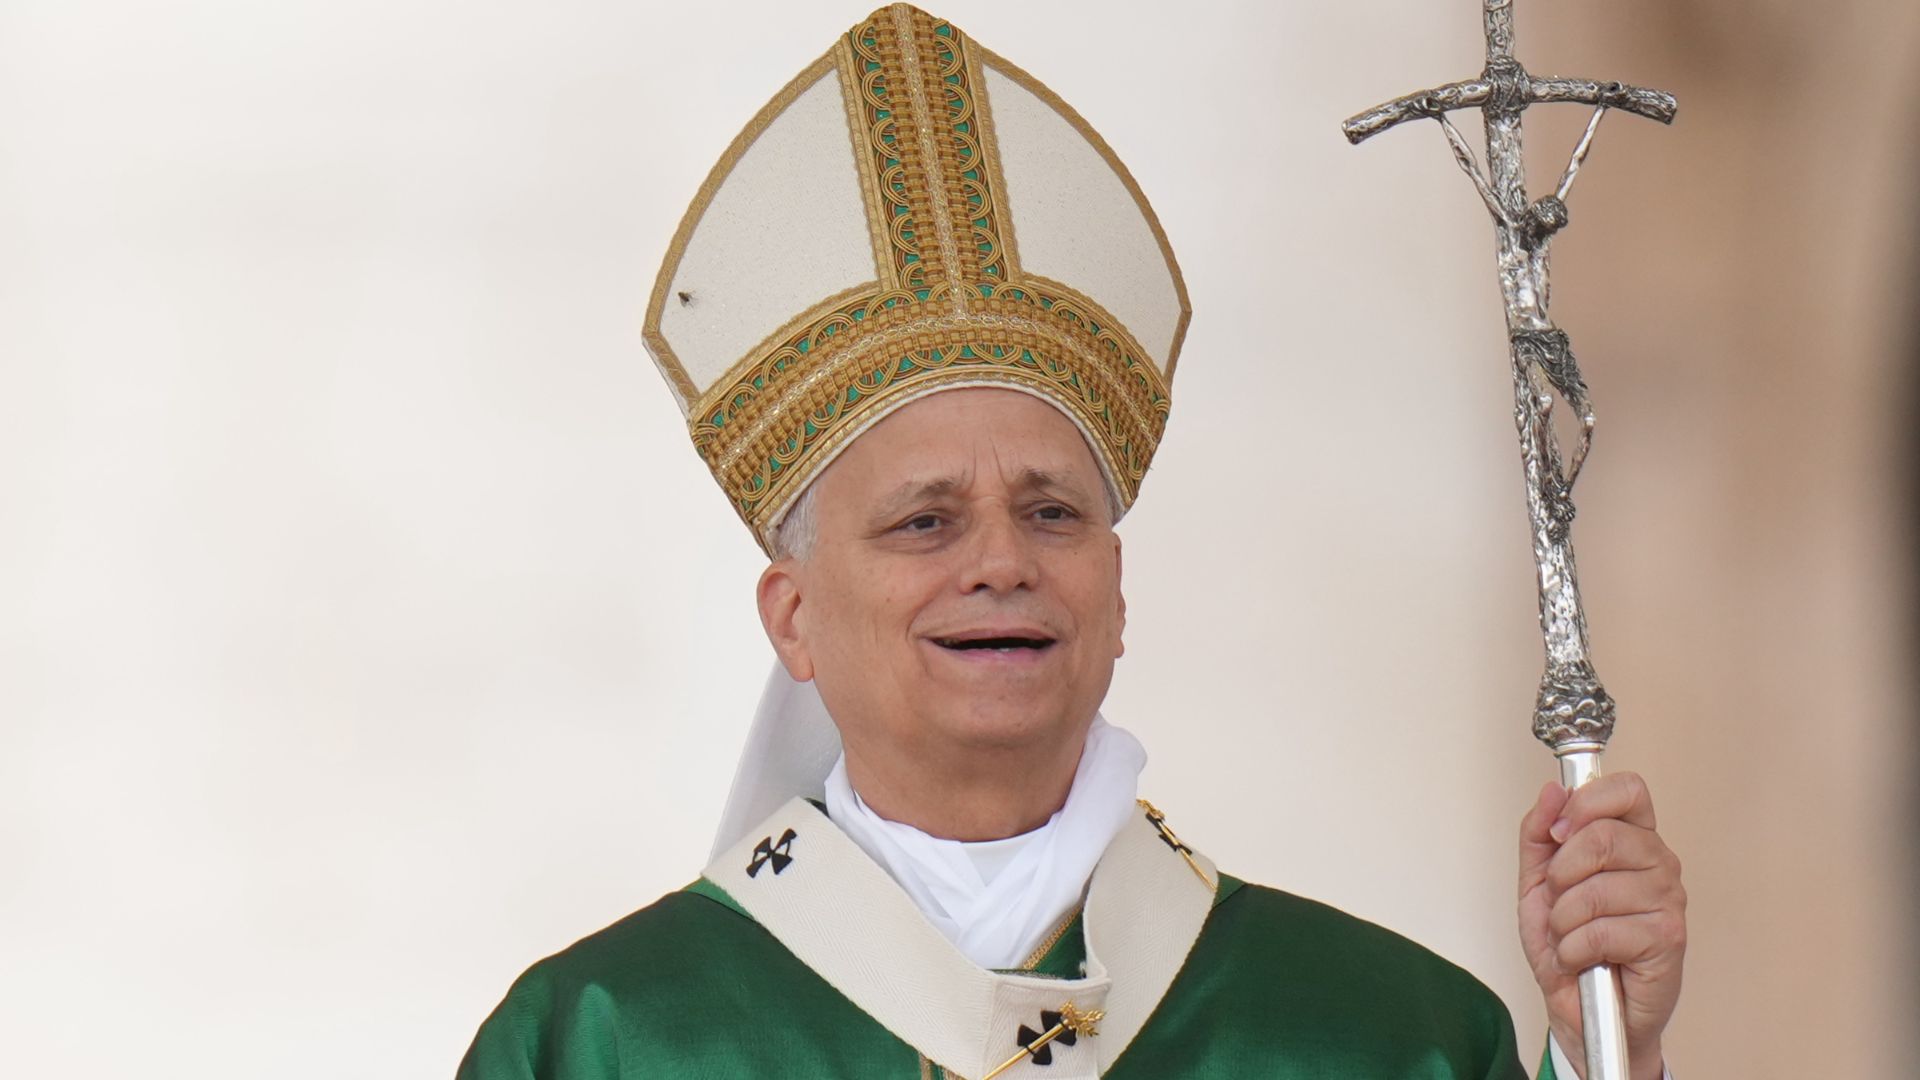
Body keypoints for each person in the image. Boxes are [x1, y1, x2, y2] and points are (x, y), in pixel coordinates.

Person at [458, 5, 1687, 1078]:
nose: (1000, 562)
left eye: (1053, 512)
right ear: (793, 618)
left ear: (1114, 587)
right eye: (923, 521)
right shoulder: (611, 1043)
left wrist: (1600, 1057)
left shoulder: (1380, 1037)